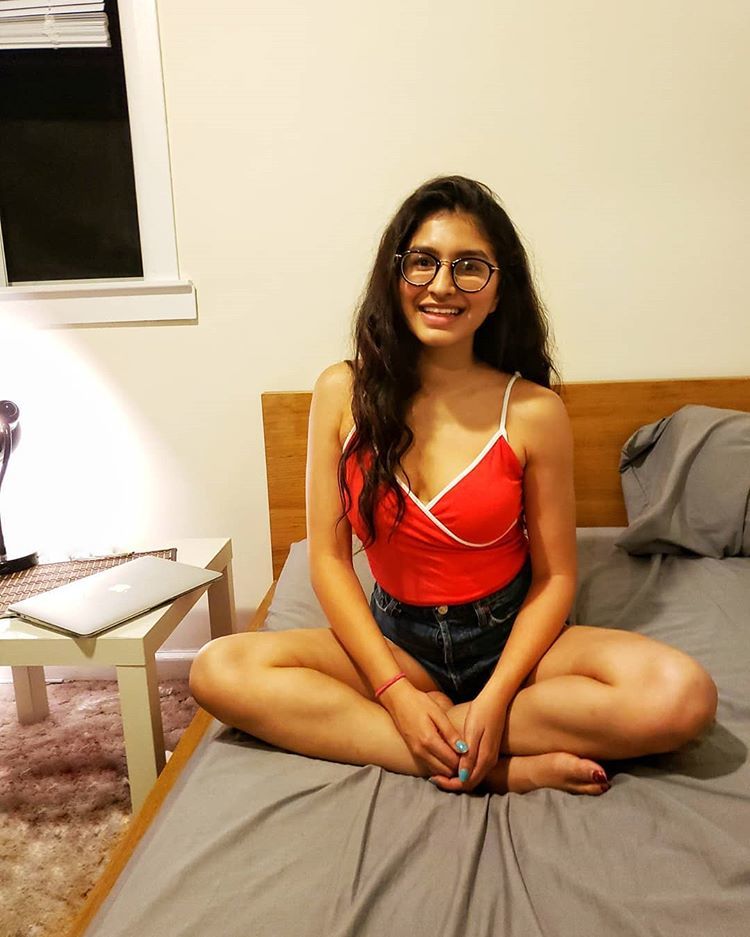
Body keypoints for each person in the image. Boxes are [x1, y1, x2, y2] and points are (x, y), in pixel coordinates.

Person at [190, 175, 718, 795]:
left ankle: (457, 736)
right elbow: (329, 562)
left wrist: (496, 699)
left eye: (469, 267)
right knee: (218, 668)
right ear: (395, 275)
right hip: (397, 646)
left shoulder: (533, 410)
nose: (442, 284)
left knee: (681, 695)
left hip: (511, 644)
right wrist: (395, 693)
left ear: (497, 292)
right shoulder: (341, 392)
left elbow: (555, 577)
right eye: (423, 262)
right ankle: (498, 769)